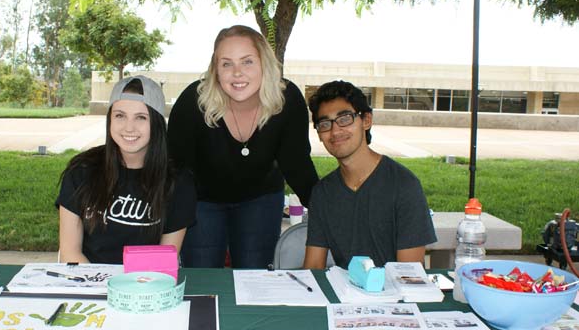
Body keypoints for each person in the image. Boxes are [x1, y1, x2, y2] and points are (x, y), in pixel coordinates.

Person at [168, 25, 318, 268]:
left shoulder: (287, 100)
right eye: (226, 64)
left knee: (255, 278)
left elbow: (298, 165)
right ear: (215, 70)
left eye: (247, 62)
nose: (237, 73)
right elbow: (174, 170)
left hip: (261, 198)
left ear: (264, 63)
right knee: (203, 279)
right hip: (202, 201)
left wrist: (329, 213)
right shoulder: (193, 103)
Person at [57, 75, 196, 264]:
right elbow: (70, 253)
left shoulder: (178, 181)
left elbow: (164, 260)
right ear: (110, 120)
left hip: (145, 285)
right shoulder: (81, 171)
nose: (129, 127)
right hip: (88, 281)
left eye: (140, 117)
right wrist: (100, 289)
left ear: (156, 123)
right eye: (120, 116)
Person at [303, 80, 436, 269]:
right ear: (319, 133)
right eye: (325, 123)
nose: (335, 130)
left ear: (366, 120)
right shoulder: (323, 193)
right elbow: (313, 267)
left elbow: (410, 273)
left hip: (394, 295)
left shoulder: (404, 185)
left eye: (345, 119)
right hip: (345, 294)